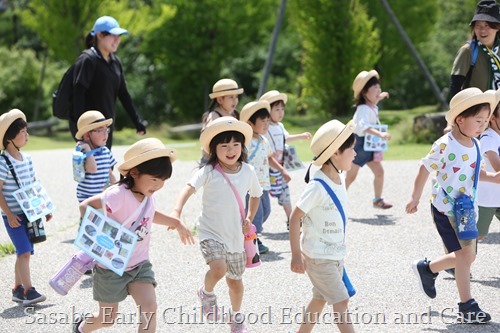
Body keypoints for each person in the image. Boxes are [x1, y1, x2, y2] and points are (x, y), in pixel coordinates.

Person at [73, 138, 194, 332]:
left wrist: (176, 222)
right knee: (107, 318)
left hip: (139, 264)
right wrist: (105, 230)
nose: (158, 185)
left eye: (162, 181)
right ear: (134, 172)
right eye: (154, 179)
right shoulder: (118, 194)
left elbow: (148, 215)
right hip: (110, 266)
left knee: (149, 307)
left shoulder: (148, 195)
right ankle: (80, 328)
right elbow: (85, 205)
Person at [405, 88, 500, 324]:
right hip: (445, 209)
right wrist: (414, 197)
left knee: (468, 256)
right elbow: (424, 168)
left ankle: (428, 269)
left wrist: (494, 176)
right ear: (460, 119)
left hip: (467, 209)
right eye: (478, 120)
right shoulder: (444, 145)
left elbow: (476, 173)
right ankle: (467, 305)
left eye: (485, 121)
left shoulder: (476, 145)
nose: (482, 125)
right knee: (465, 256)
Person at [172, 117, 261, 333]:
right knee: (219, 268)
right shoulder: (209, 171)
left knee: (235, 282)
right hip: (210, 231)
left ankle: (236, 317)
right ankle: (207, 293)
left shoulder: (248, 171)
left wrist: (249, 216)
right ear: (214, 149)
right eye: (224, 146)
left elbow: (256, 196)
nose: (230, 150)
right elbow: (189, 188)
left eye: (235, 145)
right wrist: (177, 212)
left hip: (236, 237)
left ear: (242, 146)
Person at [290, 119, 357, 333]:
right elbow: (294, 217)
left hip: (334, 254)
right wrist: (295, 255)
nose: (355, 154)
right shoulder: (317, 186)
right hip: (319, 257)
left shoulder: (339, 177)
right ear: (336, 153)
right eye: (352, 150)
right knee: (341, 301)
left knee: (319, 299)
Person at [0, 109, 53, 305]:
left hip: (29, 213)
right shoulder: (2, 162)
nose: (27, 135)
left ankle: (17, 289)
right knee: (23, 252)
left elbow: (33, 185)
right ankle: (29, 291)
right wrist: (8, 213)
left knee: (25, 252)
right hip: (13, 216)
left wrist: (44, 208)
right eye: (22, 132)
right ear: (9, 138)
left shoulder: (28, 160)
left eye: (26, 131)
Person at [70, 16, 146, 149]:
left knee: (105, 165)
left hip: (106, 127)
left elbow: (123, 94)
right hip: (90, 130)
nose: (117, 40)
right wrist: (82, 129)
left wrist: (137, 121)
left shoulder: (115, 62)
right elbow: (78, 94)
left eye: (119, 36)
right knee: (92, 168)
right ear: (100, 35)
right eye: (113, 35)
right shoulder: (88, 60)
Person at [240, 100, 291, 253]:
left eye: (268, 120)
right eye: (262, 120)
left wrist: (282, 170)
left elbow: (269, 158)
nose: (266, 123)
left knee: (266, 211)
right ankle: (253, 239)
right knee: (256, 214)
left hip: (264, 185)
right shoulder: (245, 142)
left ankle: (247, 232)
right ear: (249, 124)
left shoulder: (264, 140)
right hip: (250, 187)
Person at [259, 90, 311, 229]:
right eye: (276, 109)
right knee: (263, 198)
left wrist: (301, 136)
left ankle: (291, 221)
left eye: (282, 109)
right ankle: (255, 224)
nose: (281, 112)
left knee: (285, 195)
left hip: (279, 167)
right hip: (267, 169)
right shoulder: (266, 127)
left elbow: (285, 138)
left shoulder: (280, 126)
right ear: (268, 111)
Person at [345, 70, 392, 209]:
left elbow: (375, 99)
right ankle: (336, 197)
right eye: (375, 88)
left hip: (370, 146)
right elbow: (363, 127)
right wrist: (381, 134)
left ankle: (377, 199)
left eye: (379, 87)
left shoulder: (370, 105)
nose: (379, 91)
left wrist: (380, 96)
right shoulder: (363, 109)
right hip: (359, 146)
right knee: (351, 176)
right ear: (365, 93)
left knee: (379, 172)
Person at [449, 0, 500, 99]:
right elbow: (455, 86)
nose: (482, 30)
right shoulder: (468, 51)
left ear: (497, 27)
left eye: (487, 26)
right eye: (478, 26)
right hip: (477, 112)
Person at [74, 110, 117, 203]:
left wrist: (118, 188)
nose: (105, 134)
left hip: (102, 196)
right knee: (90, 217)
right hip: (87, 198)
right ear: (87, 135)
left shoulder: (105, 151)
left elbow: (109, 172)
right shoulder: (82, 154)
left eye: (106, 129)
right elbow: (92, 169)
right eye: (100, 130)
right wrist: (87, 149)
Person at [200, 78, 244, 163]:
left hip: (228, 156)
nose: (235, 100)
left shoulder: (234, 114)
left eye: (236, 97)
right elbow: (208, 140)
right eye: (231, 97)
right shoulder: (214, 116)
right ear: (220, 100)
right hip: (213, 159)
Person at [477, 91, 500, 239]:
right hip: (486, 199)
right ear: (492, 118)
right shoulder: (488, 138)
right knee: (476, 237)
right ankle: (452, 261)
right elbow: (497, 165)